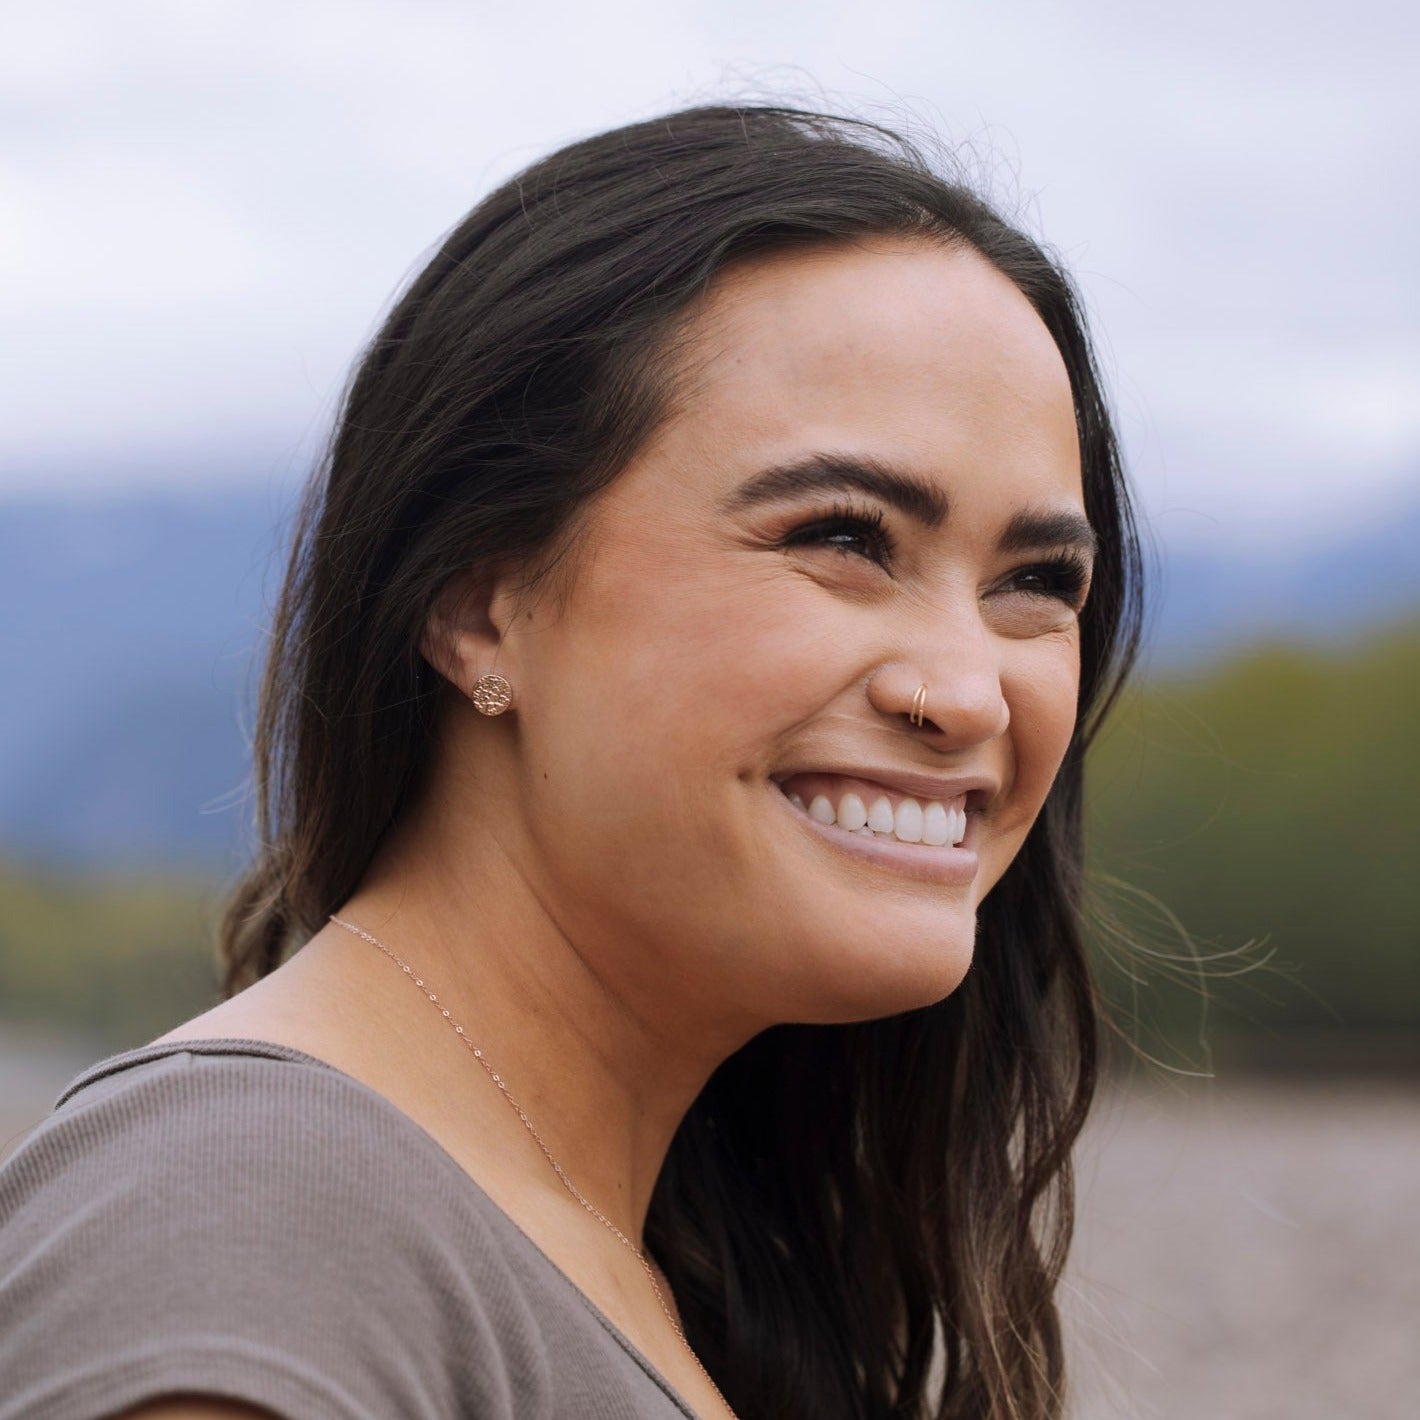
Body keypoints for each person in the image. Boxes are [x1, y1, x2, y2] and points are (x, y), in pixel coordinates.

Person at [0, 103, 1142, 1420]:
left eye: (1037, 580)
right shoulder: (251, 1229)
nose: (965, 690)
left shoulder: (622, 1240)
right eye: (842, 535)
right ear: (480, 604)